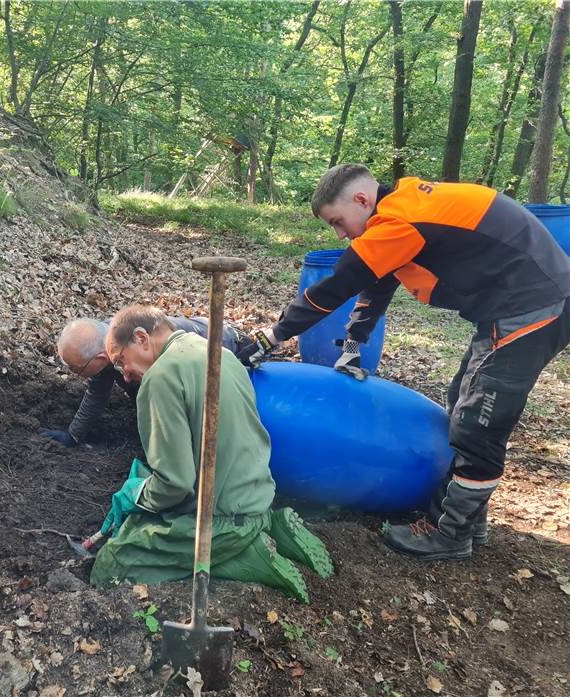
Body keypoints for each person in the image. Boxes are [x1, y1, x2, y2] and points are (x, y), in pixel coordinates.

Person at [237, 164, 570, 561]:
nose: (341, 235)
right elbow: (378, 280)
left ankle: (450, 534)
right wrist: (355, 340)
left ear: (362, 199)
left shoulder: (399, 220)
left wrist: (271, 337)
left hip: (534, 305)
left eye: (338, 222)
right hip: (521, 302)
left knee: (478, 421)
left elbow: (337, 285)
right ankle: (467, 519)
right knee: (463, 400)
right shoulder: (404, 206)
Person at [89, 305, 332, 602]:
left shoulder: (160, 378)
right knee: (145, 485)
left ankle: (247, 558)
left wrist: (135, 497)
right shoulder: (219, 353)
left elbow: (175, 484)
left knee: (112, 562)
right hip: (257, 496)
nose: (124, 376)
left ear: (141, 338)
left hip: (223, 521)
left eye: (121, 361)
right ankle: (272, 526)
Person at [40, 315, 252, 447]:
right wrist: (73, 436)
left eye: (78, 370)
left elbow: (187, 402)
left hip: (229, 344)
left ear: (101, 358)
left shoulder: (153, 348)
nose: (78, 375)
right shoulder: (105, 344)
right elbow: (97, 394)